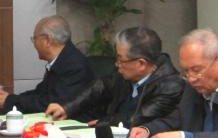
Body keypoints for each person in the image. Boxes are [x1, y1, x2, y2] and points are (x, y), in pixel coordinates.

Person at [45, 26, 182, 128]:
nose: (117, 64)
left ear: (141, 64)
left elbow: (138, 118)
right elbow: (101, 86)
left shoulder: (170, 86)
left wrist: (103, 123)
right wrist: (67, 107)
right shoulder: (127, 74)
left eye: (121, 59)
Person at [0, 16, 94, 114]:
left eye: (34, 39)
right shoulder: (63, 59)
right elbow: (40, 94)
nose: (34, 44)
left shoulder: (75, 65)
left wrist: (10, 101)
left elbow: (51, 104)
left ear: (47, 40)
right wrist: (9, 99)